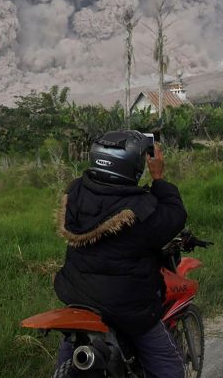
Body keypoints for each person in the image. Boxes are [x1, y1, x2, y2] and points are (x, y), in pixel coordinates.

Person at [53, 130, 188, 378]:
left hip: (77, 295)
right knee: (171, 369)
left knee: (71, 353)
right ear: (133, 167)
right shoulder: (141, 210)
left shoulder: (75, 192)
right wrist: (158, 178)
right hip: (125, 305)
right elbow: (174, 217)